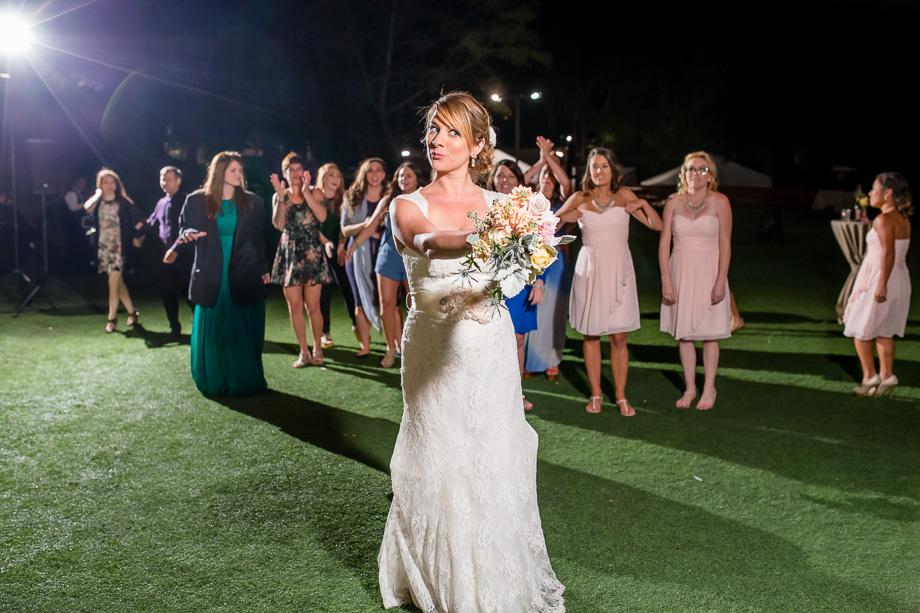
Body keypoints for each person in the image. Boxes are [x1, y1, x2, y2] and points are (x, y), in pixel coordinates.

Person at [378, 91, 564, 611]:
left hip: (489, 346)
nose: (437, 140)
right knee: (438, 455)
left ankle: (494, 577)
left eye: (452, 131)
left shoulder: (506, 206)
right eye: (434, 129)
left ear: (479, 144)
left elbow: (522, 268)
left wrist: (527, 244)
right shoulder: (406, 205)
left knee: (491, 455)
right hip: (434, 349)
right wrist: (485, 235)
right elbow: (430, 242)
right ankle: (444, 580)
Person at [557, 147, 662, 415]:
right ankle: (596, 393)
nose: (599, 171)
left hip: (619, 271)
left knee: (619, 336)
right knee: (591, 334)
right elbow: (548, 227)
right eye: (594, 166)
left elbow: (657, 225)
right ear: (588, 171)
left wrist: (643, 204)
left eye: (604, 166)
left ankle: (621, 395)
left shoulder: (624, 195)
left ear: (613, 169)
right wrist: (563, 218)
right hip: (590, 270)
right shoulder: (579, 197)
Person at [165, 151, 269, 396]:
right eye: (233, 170)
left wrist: (263, 267)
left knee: (239, 328)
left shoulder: (254, 202)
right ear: (219, 172)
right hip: (211, 272)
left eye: (240, 170)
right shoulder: (195, 201)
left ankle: (242, 379)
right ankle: (214, 379)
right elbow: (184, 229)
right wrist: (187, 235)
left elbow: (259, 238)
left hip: (243, 270)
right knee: (214, 330)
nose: (238, 174)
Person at [659, 151, 732, 410]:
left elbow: (726, 244)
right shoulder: (673, 201)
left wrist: (721, 281)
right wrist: (666, 279)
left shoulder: (721, 201)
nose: (696, 174)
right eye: (691, 169)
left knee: (709, 335)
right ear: (683, 173)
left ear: (710, 175)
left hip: (709, 270)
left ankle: (709, 388)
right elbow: (664, 243)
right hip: (680, 270)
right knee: (685, 335)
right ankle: (690, 388)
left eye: (702, 169)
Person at [348, 162, 428, 367]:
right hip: (388, 257)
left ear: (417, 179)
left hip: (414, 258)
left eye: (408, 175)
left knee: (416, 305)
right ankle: (391, 348)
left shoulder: (426, 200)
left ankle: (416, 347)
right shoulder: (388, 200)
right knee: (387, 305)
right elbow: (371, 226)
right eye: (401, 175)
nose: (403, 179)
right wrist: (354, 245)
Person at [843, 172, 912, 397]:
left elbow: (888, 253)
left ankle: (869, 376)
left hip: (881, 276)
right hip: (899, 277)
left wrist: (882, 284)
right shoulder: (903, 218)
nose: (870, 193)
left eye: (874, 188)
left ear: (887, 193)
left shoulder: (884, 219)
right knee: (884, 330)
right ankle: (887, 374)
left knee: (858, 326)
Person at [486, 159, 544, 409]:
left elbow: (542, 246)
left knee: (517, 340)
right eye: (501, 175)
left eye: (511, 176)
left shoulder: (530, 210)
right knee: (490, 341)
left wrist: (539, 281)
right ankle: (490, 396)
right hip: (489, 282)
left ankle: (515, 395)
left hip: (521, 283)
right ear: (493, 179)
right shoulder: (483, 205)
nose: (505, 180)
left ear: (519, 182)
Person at [270, 152, 332, 367]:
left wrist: (306, 193)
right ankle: (303, 352)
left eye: (298, 169)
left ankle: (317, 349)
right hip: (289, 252)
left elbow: (322, 217)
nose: (295, 173)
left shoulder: (315, 191)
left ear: (304, 172)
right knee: (294, 305)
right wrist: (280, 198)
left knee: (313, 305)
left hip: (311, 250)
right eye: (291, 170)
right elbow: (278, 225)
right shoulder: (280, 195)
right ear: (284, 173)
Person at [524, 161, 573, 380]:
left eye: (552, 175)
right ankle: (530, 359)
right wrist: (541, 160)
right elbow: (522, 179)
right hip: (530, 260)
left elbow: (567, 183)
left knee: (553, 311)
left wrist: (550, 159)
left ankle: (552, 359)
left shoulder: (563, 203)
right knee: (532, 308)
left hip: (556, 260)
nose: (547, 178)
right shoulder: (529, 201)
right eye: (544, 174)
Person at [83, 169, 143, 333]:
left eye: (112, 182)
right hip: (103, 246)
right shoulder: (98, 202)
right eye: (106, 182)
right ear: (100, 185)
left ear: (117, 184)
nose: (109, 185)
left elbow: (138, 221)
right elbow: (87, 208)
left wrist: (137, 237)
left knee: (112, 282)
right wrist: (97, 194)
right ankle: (132, 312)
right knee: (117, 282)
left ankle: (112, 318)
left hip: (119, 247)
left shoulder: (123, 202)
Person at [137, 166, 191, 339]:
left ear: (178, 181)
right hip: (165, 256)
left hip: (184, 255)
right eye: (162, 179)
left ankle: (202, 324)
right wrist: (139, 235)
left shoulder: (187, 200)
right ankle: (174, 328)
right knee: (168, 292)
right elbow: (151, 221)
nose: (164, 182)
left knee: (190, 292)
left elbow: (190, 228)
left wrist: (177, 248)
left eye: (168, 179)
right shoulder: (161, 203)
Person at [340, 157, 386, 358]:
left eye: (378, 170)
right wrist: (364, 226)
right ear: (364, 174)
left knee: (387, 302)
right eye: (370, 170)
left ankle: (394, 345)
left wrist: (377, 232)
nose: (374, 174)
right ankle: (365, 346)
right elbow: (344, 230)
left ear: (383, 174)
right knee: (359, 300)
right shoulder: (352, 197)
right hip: (356, 254)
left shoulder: (390, 196)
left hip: (384, 253)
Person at [313, 163, 356, 349]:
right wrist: (326, 243)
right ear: (323, 177)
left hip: (339, 247)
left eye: (338, 175)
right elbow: (312, 225)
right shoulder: (315, 196)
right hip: (319, 247)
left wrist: (340, 245)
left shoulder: (344, 199)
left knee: (348, 286)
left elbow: (345, 225)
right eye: (331, 175)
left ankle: (356, 323)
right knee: (324, 291)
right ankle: (325, 332)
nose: (336, 179)